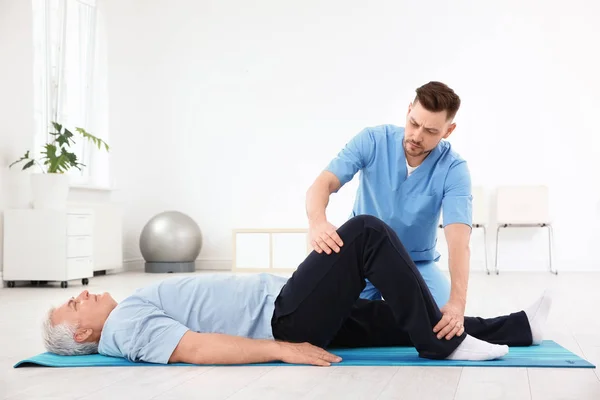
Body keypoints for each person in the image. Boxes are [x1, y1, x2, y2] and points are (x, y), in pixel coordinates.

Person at [43, 215, 551, 366]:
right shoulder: (124, 326)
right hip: (284, 320)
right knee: (366, 232)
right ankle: (439, 342)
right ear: (84, 332)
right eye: (71, 306)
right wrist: (281, 350)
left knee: (393, 317)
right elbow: (196, 349)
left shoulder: (125, 317)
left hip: (284, 308)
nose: (79, 295)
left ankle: (520, 328)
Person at [306, 81, 472, 341]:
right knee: (331, 324)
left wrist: (457, 303)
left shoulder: (454, 169)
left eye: (430, 131)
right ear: (408, 111)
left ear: (448, 131)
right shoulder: (372, 140)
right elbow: (322, 184)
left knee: (442, 327)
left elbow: (459, 241)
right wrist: (318, 223)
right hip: (361, 261)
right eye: (414, 123)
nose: (417, 136)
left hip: (416, 262)